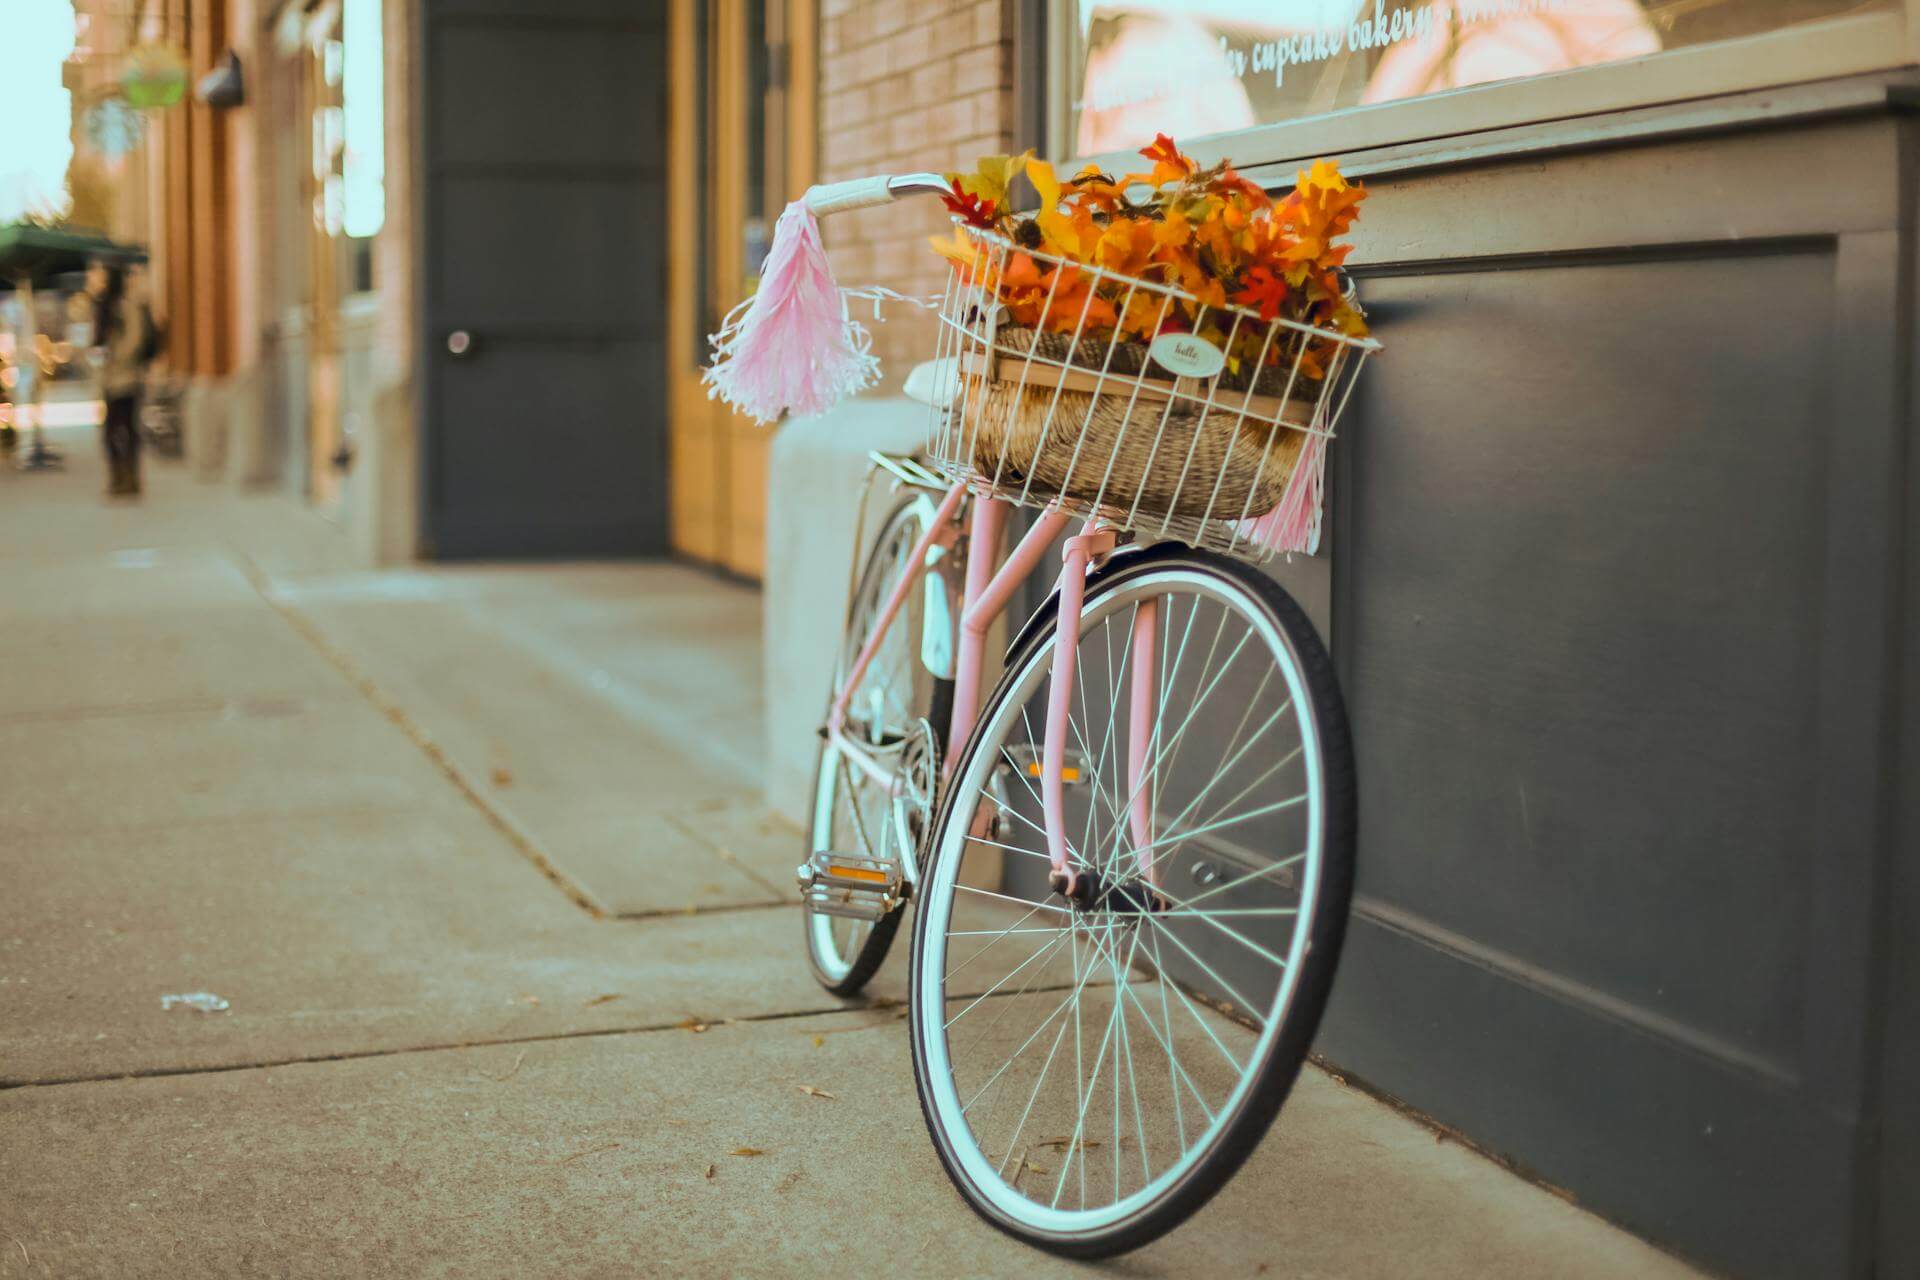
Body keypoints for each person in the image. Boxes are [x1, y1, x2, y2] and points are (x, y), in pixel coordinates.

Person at [88, 260, 154, 497]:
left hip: (128, 378)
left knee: (128, 428)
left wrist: (118, 357)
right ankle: (117, 477)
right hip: (109, 380)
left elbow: (136, 339)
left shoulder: (128, 305)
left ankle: (131, 479)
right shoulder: (102, 305)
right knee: (110, 431)